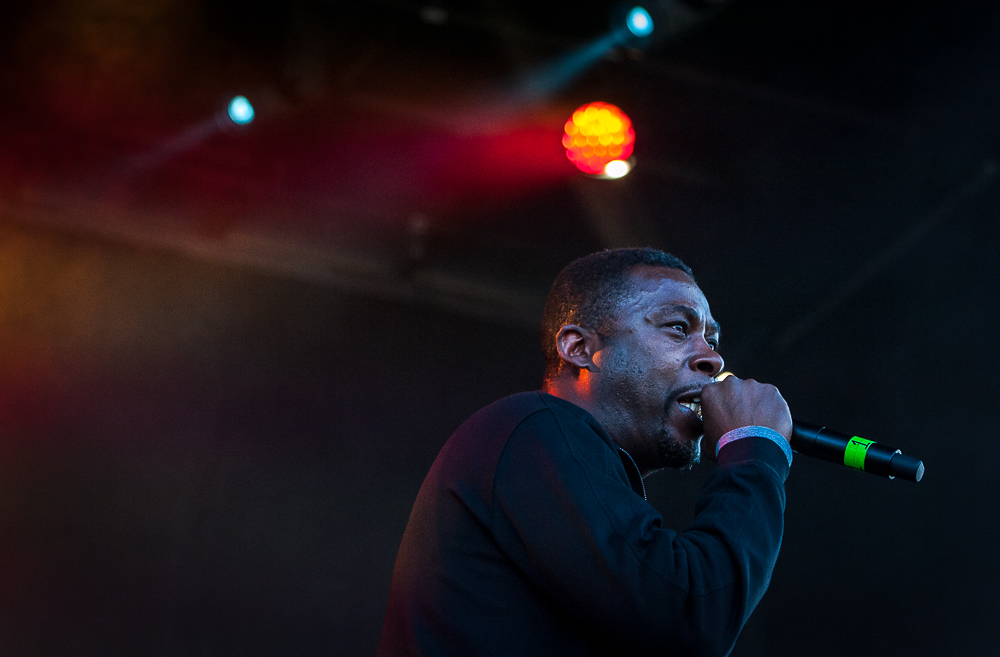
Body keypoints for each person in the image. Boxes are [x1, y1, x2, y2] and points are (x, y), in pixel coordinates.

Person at [377, 248, 794, 657]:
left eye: (712, 339)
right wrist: (753, 449)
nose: (712, 358)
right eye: (678, 329)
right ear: (578, 348)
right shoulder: (535, 427)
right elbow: (691, 615)